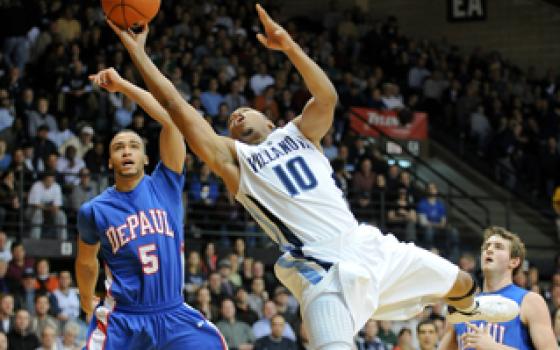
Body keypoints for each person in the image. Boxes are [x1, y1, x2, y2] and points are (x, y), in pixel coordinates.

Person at [108, 5, 519, 349]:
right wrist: (139, 55)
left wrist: (289, 46)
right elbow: (179, 108)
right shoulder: (236, 160)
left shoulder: (301, 133)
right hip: (324, 273)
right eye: (230, 120)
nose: (236, 117)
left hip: (369, 246)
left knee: (463, 282)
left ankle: (469, 309)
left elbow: (327, 96)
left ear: (268, 118)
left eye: (245, 112)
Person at [75, 68, 225, 349]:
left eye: (134, 146)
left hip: (173, 313)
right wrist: (86, 299)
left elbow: (170, 120)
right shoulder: (94, 210)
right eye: (119, 148)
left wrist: (122, 85)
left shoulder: (165, 183)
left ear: (145, 158)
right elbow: (85, 262)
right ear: (110, 162)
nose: (127, 151)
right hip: (123, 321)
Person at [439, 226, 557, 350]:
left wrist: (493, 347)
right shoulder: (460, 306)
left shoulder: (529, 301)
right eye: (486, 246)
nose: (489, 250)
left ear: (514, 262)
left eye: (498, 247)